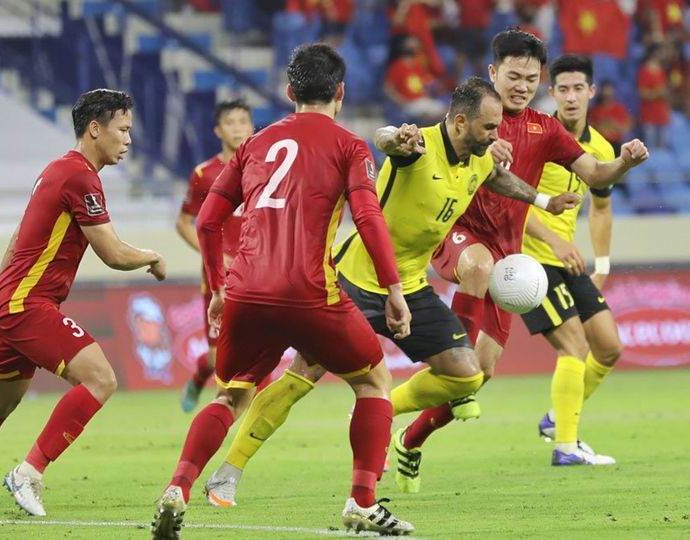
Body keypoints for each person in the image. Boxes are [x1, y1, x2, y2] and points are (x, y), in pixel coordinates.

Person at [202, 77, 582, 505]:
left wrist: (545, 202)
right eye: (490, 128)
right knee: (302, 377)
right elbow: (386, 141)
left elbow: (496, 179)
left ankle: (390, 419)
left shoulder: (478, 159)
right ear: (459, 122)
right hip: (356, 280)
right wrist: (395, 135)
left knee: (466, 374)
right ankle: (228, 471)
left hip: (411, 286)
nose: (497, 136)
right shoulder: (416, 145)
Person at [151, 43, 415, 539]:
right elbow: (368, 217)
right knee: (373, 383)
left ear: (290, 91)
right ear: (340, 92)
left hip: (247, 290)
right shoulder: (350, 146)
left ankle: (178, 488)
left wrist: (216, 289)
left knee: (230, 396)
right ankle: (361, 502)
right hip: (311, 290)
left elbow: (207, 221)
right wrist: (393, 288)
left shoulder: (255, 143)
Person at [0, 89, 167, 515]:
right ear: (95, 128)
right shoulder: (80, 177)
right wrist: (153, 256)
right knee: (101, 379)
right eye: (124, 129)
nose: (129, 139)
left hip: (12, 301)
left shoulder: (56, 170)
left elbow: (21, 236)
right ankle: (29, 473)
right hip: (27, 304)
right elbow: (111, 252)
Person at [416, 29, 647, 467]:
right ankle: (564, 441)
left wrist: (624, 163)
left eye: (531, 78)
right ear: (493, 73)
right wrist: (481, 142)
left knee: (482, 374)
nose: (523, 86)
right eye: (514, 76)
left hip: (516, 260)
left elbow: (598, 180)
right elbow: (438, 147)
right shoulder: (472, 118)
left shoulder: (548, 130)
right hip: (483, 246)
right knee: (571, 345)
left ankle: (410, 435)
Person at [521, 54, 623, 465]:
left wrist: (603, 263)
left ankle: (555, 418)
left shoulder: (599, 148)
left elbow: (600, 209)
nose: (571, 96)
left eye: (579, 87)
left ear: (591, 91)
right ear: (552, 93)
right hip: (531, 260)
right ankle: (566, 446)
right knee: (575, 347)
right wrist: (554, 242)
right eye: (562, 88)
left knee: (610, 348)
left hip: (570, 261)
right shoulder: (535, 136)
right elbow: (512, 199)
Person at [177, 99, 254, 413]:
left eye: (242, 122)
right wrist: (215, 255)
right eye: (230, 122)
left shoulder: (263, 169)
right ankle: (199, 378)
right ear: (217, 130)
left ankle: (226, 415)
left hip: (255, 275)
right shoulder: (204, 174)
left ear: (252, 127)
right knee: (215, 358)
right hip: (218, 278)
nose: (237, 128)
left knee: (246, 356)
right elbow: (183, 223)